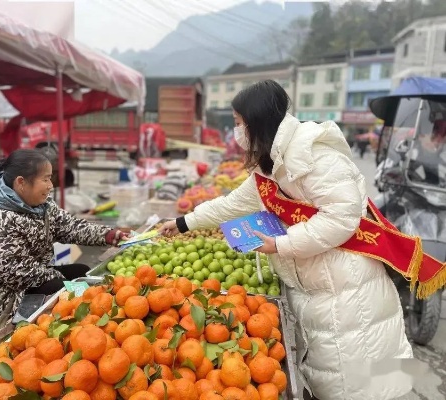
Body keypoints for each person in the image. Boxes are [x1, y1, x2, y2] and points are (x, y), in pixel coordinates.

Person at [159, 80, 412, 400]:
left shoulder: (315, 155)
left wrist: (280, 244)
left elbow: (342, 218)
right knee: (331, 375)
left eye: (238, 123)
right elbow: (233, 204)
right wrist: (183, 223)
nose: (236, 131)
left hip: (346, 287)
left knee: (358, 380)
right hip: (316, 284)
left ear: (257, 121)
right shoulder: (272, 164)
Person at [0, 149, 127, 323]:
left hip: (21, 280)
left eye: (50, 178)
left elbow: (68, 226)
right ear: (21, 183)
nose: (50, 185)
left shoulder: (38, 204)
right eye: (45, 179)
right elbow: (19, 274)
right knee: (66, 289)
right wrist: (64, 281)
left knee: (79, 272)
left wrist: (108, 235)